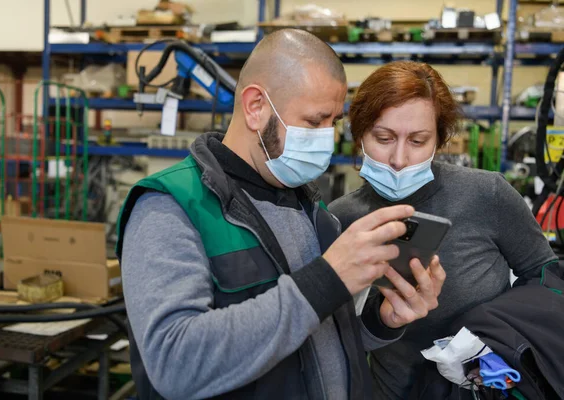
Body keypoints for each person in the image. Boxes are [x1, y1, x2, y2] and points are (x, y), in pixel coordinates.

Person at [117, 31, 445, 400]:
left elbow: (319, 340)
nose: (326, 138)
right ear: (256, 106)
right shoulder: (170, 207)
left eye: (333, 122)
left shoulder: (313, 212)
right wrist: (326, 278)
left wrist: (382, 321)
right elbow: (175, 363)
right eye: (314, 121)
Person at [328, 60, 558, 400]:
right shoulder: (340, 219)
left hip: (486, 388)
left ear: (439, 140)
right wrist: (382, 320)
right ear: (360, 134)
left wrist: (496, 333)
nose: (399, 158)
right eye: (383, 137)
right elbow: (336, 339)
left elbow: (545, 278)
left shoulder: (487, 195)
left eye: (418, 140)